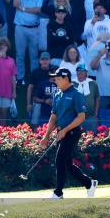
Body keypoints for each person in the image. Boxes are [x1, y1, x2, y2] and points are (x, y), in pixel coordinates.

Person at [40, 68, 98, 199]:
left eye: (58, 79)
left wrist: (65, 130)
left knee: (59, 159)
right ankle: (89, 183)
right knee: (68, 165)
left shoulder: (76, 94)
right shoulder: (58, 94)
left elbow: (81, 117)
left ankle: (58, 193)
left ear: (66, 78)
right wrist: (46, 136)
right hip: (61, 132)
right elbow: (53, 117)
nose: (55, 81)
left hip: (72, 132)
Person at [13, 0, 43, 85]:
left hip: (34, 29)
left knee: (34, 55)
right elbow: (15, 4)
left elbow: (38, 10)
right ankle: (20, 78)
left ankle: (33, 78)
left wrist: (23, 8)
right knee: (20, 55)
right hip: (20, 28)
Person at [27, 51, 52, 126]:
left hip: (52, 101)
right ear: (39, 61)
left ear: (50, 60)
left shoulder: (54, 71)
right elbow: (30, 88)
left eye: (46, 59)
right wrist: (28, 104)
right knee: (35, 124)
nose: (44, 61)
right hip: (38, 101)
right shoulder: (35, 72)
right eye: (42, 59)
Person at [73, 64, 100, 132]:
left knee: (92, 137)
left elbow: (97, 98)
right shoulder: (71, 83)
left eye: (82, 70)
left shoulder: (93, 83)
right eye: (78, 70)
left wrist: (96, 114)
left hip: (90, 117)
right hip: (75, 117)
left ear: (86, 72)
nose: (80, 72)